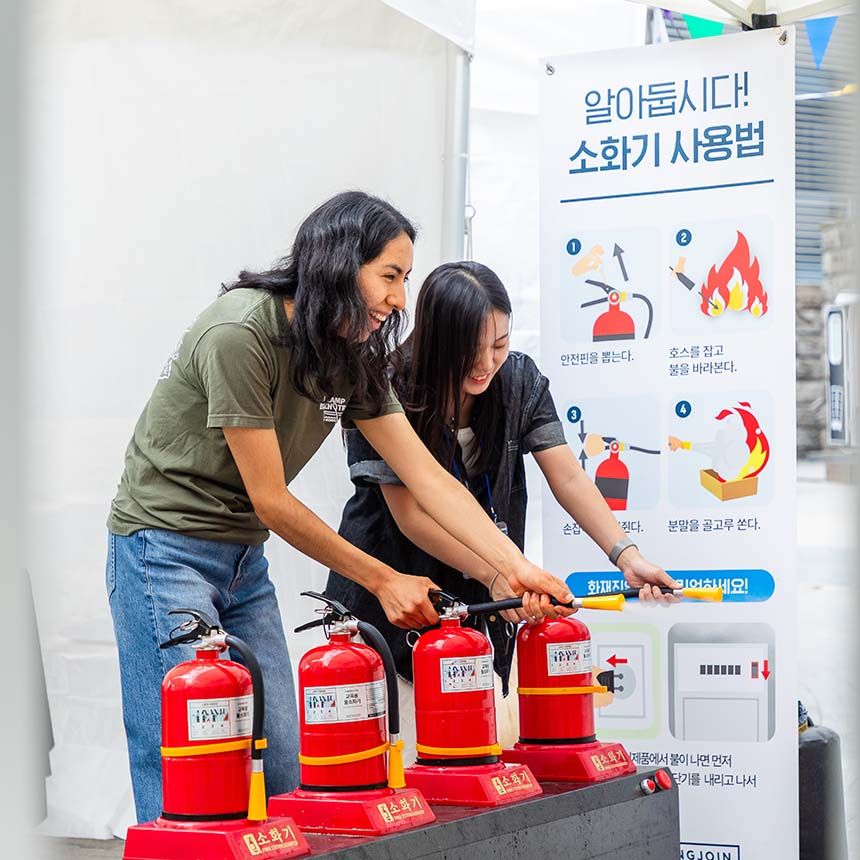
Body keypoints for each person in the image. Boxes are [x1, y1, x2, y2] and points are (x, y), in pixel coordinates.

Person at [106, 194, 575, 823]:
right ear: (336, 263)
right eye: (389, 276)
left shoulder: (350, 358)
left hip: (243, 557)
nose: (401, 299)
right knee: (192, 755)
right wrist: (381, 578)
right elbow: (271, 500)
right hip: (161, 549)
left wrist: (514, 569)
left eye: (405, 279)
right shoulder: (240, 334)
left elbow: (429, 479)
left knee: (281, 760)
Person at [326, 261, 679, 754]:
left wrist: (626, 555)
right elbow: (413, 517)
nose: (486, 363)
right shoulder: (383, 386)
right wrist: (501, 576)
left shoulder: (518, 382)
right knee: (402, 773)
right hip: (390, 612)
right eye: (470, 350)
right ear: (435, 341)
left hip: (478, 620)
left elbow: (569, 476)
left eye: (499, 344)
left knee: (480, 770)